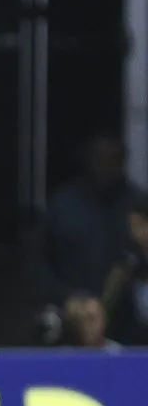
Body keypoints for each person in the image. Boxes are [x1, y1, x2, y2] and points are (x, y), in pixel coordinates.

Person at [28, 133, 143, 343]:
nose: (106, 166)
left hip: (129, 324)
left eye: (113, 159)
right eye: (100, 158)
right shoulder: (61, 206)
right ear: (88, 160)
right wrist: (67, 298)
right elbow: (37, 263)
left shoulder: (138, 207)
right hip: (69, 318)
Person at [102, 201, 148, 345]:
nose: (134, 234)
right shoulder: (127, 260)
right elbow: (107, 305)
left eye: (138, 226)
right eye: (131, 226)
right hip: (131, 342)